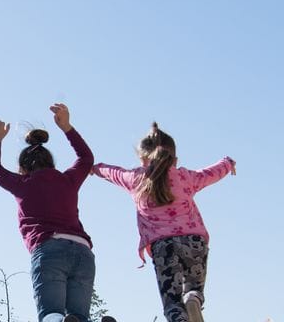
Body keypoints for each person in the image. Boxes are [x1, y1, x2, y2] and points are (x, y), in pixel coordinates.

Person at [92, 122, 236, 322]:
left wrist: (95, 168)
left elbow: (112, 172)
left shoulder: (135, 178)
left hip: (164, 247)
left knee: (172, 303)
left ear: (142, 158)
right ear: (174, 159)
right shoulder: (185, 176)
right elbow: (211, 173)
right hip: (195, 242)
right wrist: (228, 163)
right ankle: (193, 300)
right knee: (192, 289)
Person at [0, 103, 103, 322]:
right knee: (79, 317)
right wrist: (67, 127)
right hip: (83, 251)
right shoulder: (68, 180)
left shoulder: (22, 183)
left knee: (52, 315)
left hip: (50, 249)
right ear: (52, 163)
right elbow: (86, 159)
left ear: (22, 168)